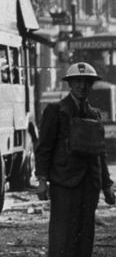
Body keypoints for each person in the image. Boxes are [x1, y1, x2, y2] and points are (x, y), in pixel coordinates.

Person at [35, 62, 116, 257]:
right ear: (70, 84)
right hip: (64, 184)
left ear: (91, 85)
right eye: (78, 81)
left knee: (85, 235)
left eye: (87, 82)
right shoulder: (55, 111)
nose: (82, 86)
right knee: (62, 237)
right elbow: (44, 147)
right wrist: (42, 180)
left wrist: (107, 185)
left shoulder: (94, 114)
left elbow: (100, 153)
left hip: (90, 184)